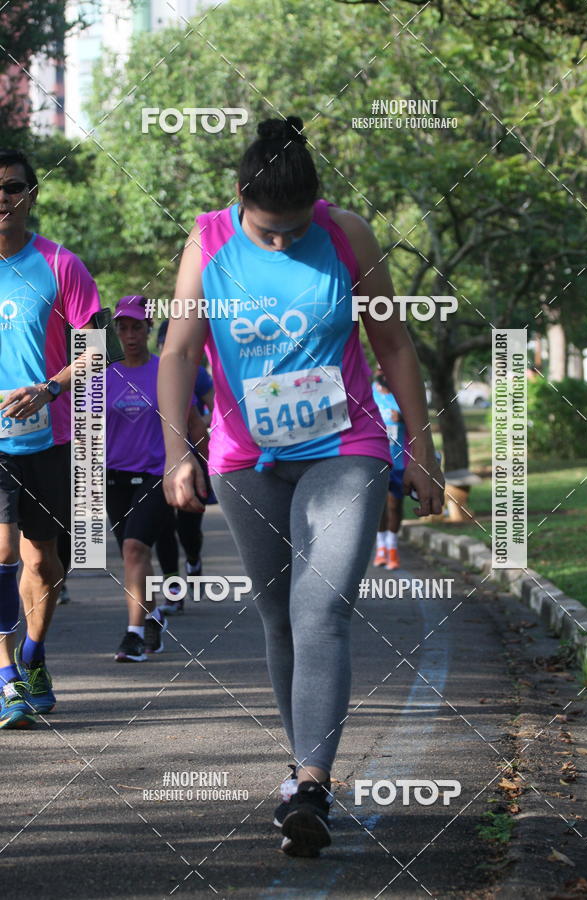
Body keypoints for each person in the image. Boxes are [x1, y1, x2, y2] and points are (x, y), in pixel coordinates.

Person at [158, 116, 444, 856]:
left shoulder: (347, 234)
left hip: (344, 447)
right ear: (238, 199)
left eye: (293, 230)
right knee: (280, 614)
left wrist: (422, 449)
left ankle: (312, 782)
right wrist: (176, 452)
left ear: (315, 206)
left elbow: (393, 345)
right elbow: (180, 351)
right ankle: (302, 769)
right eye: (267, 231)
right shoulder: (208, 240)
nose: (281, 242)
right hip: (245, 457)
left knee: (322, 607)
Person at [0, 148, 101, 727]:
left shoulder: (62, 265)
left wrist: (50, 389)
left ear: (32, 195)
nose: (3, 200)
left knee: (43, 563)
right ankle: (7, 675)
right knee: (2, 554)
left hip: (51, 438)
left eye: (13, 188)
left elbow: (95, 347)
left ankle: (35, 657)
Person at [106, 296, 206, 660]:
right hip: (113, 477)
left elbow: (194, 425)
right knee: (134, 558)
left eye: (136, 327)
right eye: (122, 327)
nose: (129, 335)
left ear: (149, 328)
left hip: (157, 476)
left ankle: (133, 635)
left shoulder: (166, 371)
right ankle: (152, 617)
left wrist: (211, 470)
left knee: (135, 549)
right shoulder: (103, 373)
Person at [154, 319, 214, 614]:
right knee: (164, 529)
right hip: (156, 463)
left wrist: (202, 429)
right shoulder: (149, 373)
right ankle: (173, 591)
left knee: (187, 529)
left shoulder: (198, 375)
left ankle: (194, 558)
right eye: (164, 343)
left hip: (193, 457)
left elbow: (218, 408)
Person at [372, 370, 407, 570]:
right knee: (379, 508)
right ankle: (381, 549)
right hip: (376, 460)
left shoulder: (401, 395)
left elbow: (420, 424)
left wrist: (402, 418)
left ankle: (392, 549)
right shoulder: (369, 394)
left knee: (394, 506)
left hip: (398, 462)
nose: (382, 370)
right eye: (378, 367)